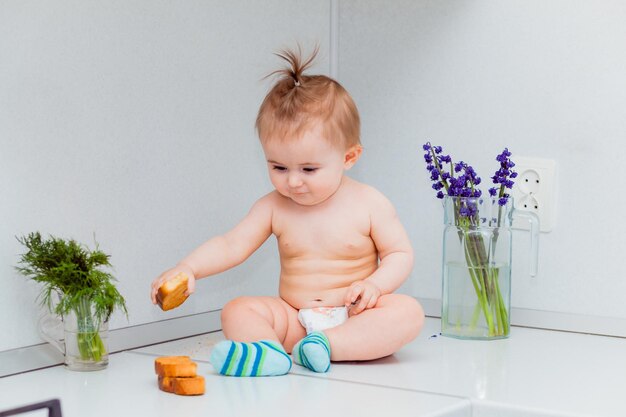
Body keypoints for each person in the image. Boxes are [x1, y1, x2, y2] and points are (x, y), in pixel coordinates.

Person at [150, 45, 424, 377]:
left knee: (408, 313)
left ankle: (331, 345)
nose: (293, 182)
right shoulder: (273, 207)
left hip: (355, 316)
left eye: (309, 169)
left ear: (349, 158)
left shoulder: (369, 203)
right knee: (237, 311)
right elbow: (231, 245)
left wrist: (376, 287)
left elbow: (400, 254)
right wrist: (188, 267)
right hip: (294, 318)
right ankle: (270, 353)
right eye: (279, 167)